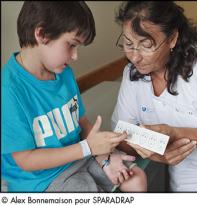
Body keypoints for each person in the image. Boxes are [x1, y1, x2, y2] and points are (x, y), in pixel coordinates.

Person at [1, 1, 147, 192]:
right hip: (40, 181)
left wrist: (105, 158)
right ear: (42, 34)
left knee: (135, 178)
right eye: (71, 45)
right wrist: (89, 148)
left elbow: (82, 123)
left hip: (80, 156)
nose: (75, 56)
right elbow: (26, 161)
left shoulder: (63, 73)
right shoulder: (9, 91)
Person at [111, 1, 197, 192]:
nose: (134, 57)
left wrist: (174, 133)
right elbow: (121, 135)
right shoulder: (131, 74)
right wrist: (155, 153)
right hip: (189, 167)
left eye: (146, 45)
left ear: (172, 38)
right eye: (128, 44)